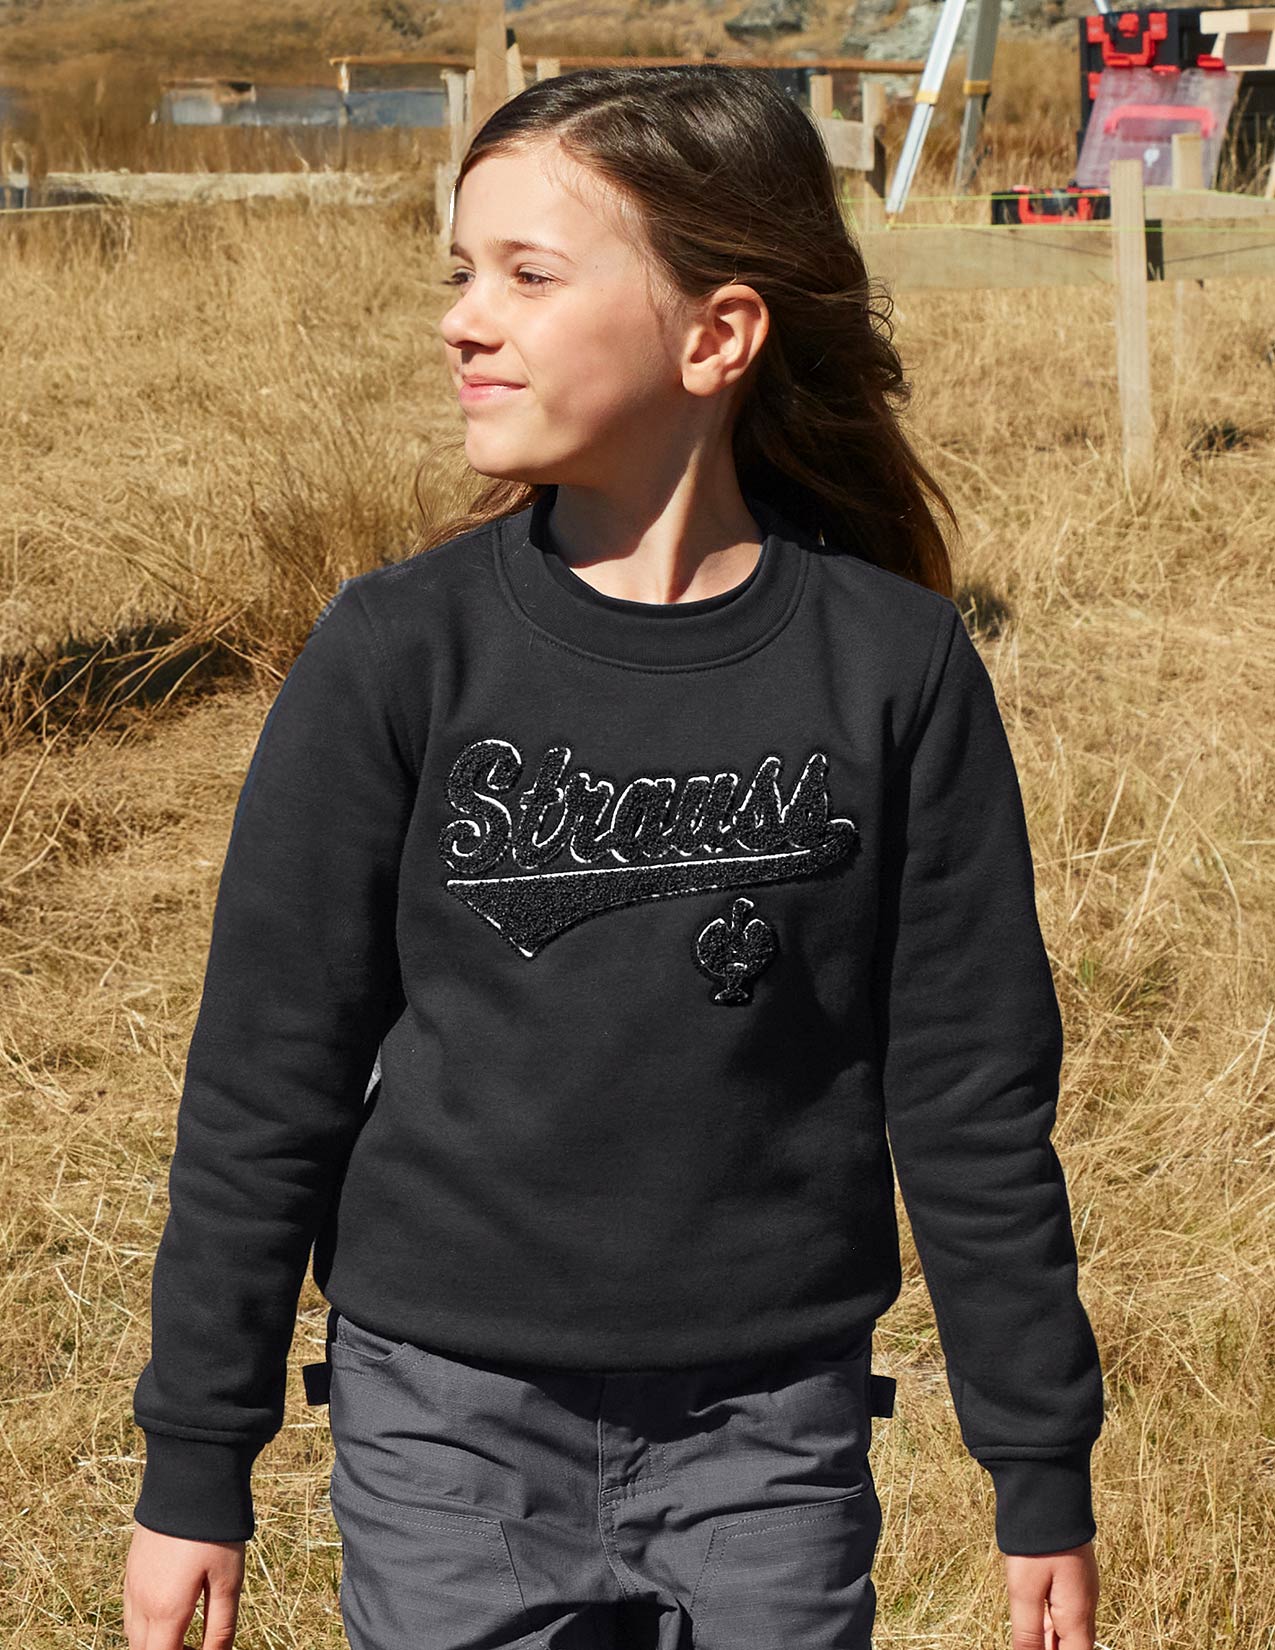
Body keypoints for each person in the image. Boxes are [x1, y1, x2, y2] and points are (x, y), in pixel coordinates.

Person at [122, 62, 1104, 1650]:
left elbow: (973, 1093)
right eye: (462, 272)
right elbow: (263, 1077)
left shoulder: (896, 667)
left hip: (770, 1428)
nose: (464, 321)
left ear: (716, 336)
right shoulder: (398, 653)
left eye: (529, 274)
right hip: (446, 1422)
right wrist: (195, 1459)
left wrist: (1038, 1455)